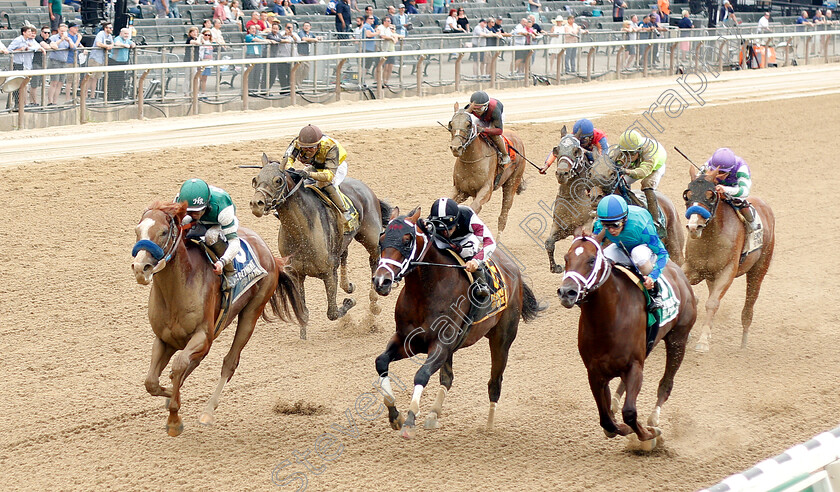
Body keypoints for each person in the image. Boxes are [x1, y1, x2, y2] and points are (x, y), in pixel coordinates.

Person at [593, 194, 668, 309]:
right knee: (603, 257)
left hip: (644, 249)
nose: (611, 230)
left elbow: (663, 254)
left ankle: (655, 293)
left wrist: (652, 277)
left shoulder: (641, 226)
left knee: (638, 254)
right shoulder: (600, 224)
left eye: (615, 225)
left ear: (625, 219)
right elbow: (594, 248)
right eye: (606, 225)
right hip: (621, 247)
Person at [283, 124, 355, 231]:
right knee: (297, 179)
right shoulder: (297, 143)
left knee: (324, 184)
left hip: (336, 167)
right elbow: (287, 159)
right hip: (315, 165)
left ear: (318, 145)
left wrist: (310, 174)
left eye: (311, 148)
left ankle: (345, 212)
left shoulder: (330, 147)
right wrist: (291, 170)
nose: (307, 151)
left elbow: (328, 175)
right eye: (304, 148)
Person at [176, 178, 241, 291]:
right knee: (182, 224)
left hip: (218, 223)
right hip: (200, 222)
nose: (192, 214)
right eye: (189, 211)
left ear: (207, 205)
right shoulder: (178, 200)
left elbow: (234, 242)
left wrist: (222, 262)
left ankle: (230, 272)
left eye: (196, 212)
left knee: (211, 236)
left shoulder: (222, 207)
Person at [426, 197, 495, 300]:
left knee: (467, 252)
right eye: (442, 230)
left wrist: (475, 261)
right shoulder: (430, 223)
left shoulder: (468, 216)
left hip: (464, 241)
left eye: (449, 228)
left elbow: (490, 242)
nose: (445, 233)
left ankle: (481, 284)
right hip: (441, 241)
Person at [612, 129, 667, 225]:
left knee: (647, 184)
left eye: (632, 153)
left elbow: (643, 172)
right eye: (625, 153)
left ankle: (655, 220)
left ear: (639, 150)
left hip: (655, 167)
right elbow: (610, 162)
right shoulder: (619, 150)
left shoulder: (650, 152)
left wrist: (626, 171)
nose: (628, 157)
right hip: (635, 165)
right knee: (619, 180)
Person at [699, 148, 757, 232]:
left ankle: (752, 223)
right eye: (716, 171)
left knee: (740, 201)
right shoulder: (708, 165)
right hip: (715, 186)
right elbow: (697, 183)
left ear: (730, 171)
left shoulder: (741, 168)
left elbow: (744, 191)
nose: (718, 175)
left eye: (722, 172)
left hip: (734, 187)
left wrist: (726, 189)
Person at [465, 90, 510, 189]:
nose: (476, 111)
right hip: (483, 119)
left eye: (479, 109)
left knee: (493, 135)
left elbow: (498, 131)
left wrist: (484, 129)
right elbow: (463, 118)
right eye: (474, 109)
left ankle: (505, 154)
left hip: (494, 119)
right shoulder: (470, 108)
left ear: (485, 106)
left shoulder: (495, 110)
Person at [7, 26, 46, 108]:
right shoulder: (18, 40)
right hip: (17, 63)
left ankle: (21, 104)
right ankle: (15, 104)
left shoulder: (30, 40)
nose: (30, 33)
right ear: (24, 32)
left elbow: (36, 46)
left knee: (23, 84)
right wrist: (19, 49)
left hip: (25, 64)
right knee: (16, 84)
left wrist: (40, 48)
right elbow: (9, 50)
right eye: (28, 32)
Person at [87, 22, 114, 99]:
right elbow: (98, 43)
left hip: (102, 59)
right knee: (90, 77)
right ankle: (85, 95)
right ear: (106, 28)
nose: (112, 29)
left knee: (96, 78)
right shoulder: (100, 34)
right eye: (110, 28)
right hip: (95, 58)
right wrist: (106, 46)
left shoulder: (110, 36)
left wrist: (110, 46)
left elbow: (112, 44)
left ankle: (92, 96)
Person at [108, 27, 135, 101]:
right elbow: (116, 43)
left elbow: (132, 44)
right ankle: (110, 97)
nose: (126, 35)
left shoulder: (127, 40)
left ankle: (118, 97)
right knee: (113, 80)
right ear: (121, 33)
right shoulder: (118, 38)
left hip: (123, 62)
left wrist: (132, 45)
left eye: (128, 34)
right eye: (125, 33)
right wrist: (125, 45)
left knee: (120, 80)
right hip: (114, 61)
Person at [376, 17, 403, 85]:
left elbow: (393, 35)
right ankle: (380, 81)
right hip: (382, 50)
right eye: (388, 21)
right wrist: (391, 38)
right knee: (384, 67)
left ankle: (386, 81)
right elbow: (383, 36)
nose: (389, 22)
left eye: (390, 21)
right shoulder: (380, 27)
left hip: (389, 50)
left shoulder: (388, 29)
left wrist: (394, 37)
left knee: (390, 67)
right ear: (384, 22)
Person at [245, 24, 268, 93]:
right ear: (249, 30)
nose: (253, 30)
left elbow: (264, 39)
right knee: (251, 73)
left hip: (258, 56)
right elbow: (256, 40)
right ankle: (250, 90)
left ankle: (256, 89)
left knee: (258, 73)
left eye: (254, 29)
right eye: (252, 28)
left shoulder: (258, 36)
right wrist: (264, 41)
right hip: (250, 56)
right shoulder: (248, 36)